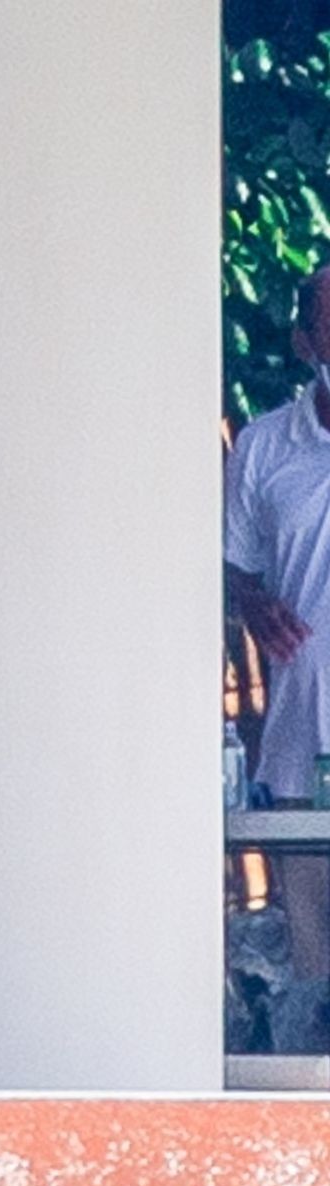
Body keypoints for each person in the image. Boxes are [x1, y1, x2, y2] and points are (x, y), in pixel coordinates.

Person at [226, 266, 330, 980]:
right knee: (316, 978)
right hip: (300, 757)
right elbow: (231, 564)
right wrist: (252, 599)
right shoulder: (263, 447)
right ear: (304, 342)